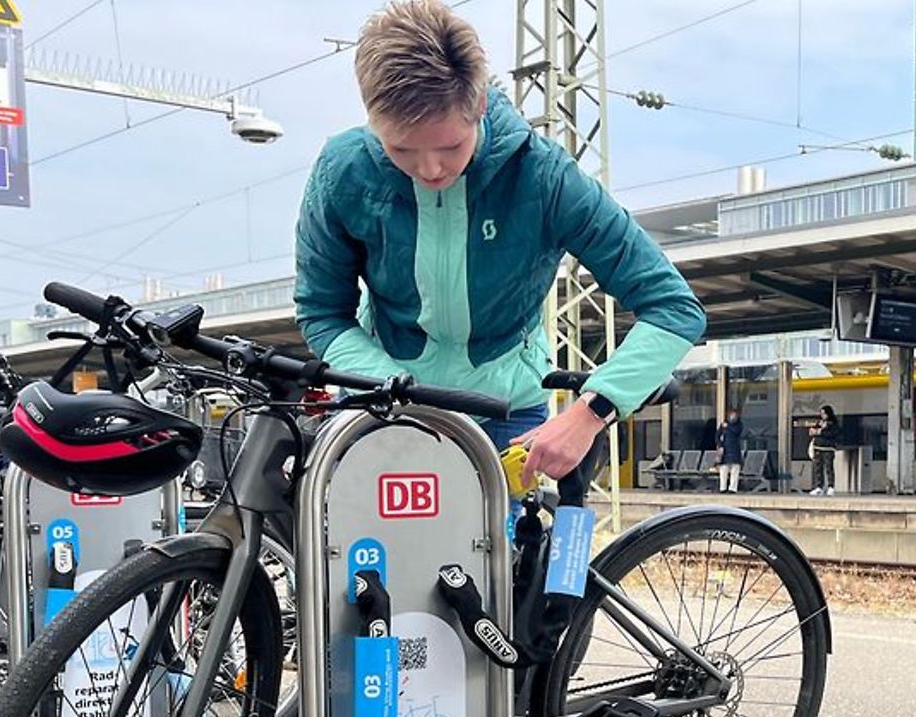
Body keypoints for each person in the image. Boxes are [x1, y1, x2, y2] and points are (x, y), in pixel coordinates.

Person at [293, 1, 705, 484]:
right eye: (401, 149)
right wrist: (393, 389)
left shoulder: (543, 177)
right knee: (368, 556)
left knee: (495, 557)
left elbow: (675, 309)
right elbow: (323, 311)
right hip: (383, 404)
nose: (430, 170)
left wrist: (591, 413)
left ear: (480, 105)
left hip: (504, 415)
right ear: (373, 119)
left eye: (450, 147)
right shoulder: (343, 171)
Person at [807, 405, 839, 496]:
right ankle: (819, 487)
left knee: (829, 468)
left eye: (824, 413)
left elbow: (833, 433)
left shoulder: (833, 423)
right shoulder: (820, 422)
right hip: (818, 447)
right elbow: (814, 430)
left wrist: (820, 432)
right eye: (821, 413)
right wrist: (813, 431)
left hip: (828, 448)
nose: (822, 415)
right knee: (818, 468)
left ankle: (831, 486)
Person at [716, 409, 745, 494]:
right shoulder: (723, 426)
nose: (732, 417)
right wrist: (720, 445)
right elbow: (717, 435)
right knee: (723, 470)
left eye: (734, 415)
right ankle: (723, 488)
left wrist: (727, 426)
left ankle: (732, 488)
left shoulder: (739, 425)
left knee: (735, 470)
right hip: (725, 451)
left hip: (735, 450)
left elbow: (737, 431)